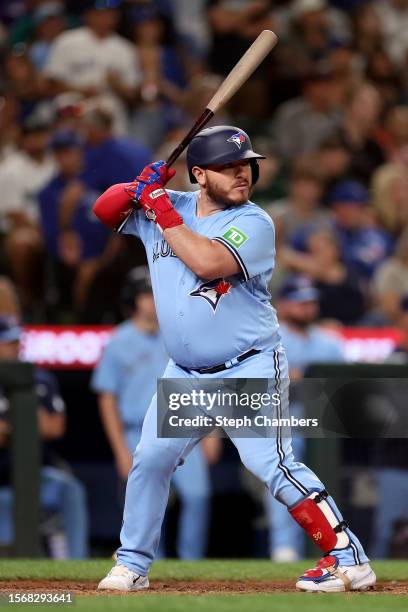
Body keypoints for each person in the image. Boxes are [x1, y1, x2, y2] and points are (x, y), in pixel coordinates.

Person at [93, 124, 376, 592]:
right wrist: (134, 186)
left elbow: (206, 261)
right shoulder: (173, 205)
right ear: (199, 175)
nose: (242, 174)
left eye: (246, 165)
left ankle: (349, 557)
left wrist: (159, 205)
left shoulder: (254, 221)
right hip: (186, 375)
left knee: (273, 465)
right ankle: (132, 564)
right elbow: (104, 212)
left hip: (245, 367)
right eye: (228, 167)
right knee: (151, 460)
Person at [91, 266, 211, 559]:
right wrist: (120, 449)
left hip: (185, 426)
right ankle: (147, 560)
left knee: (198, 496)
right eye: (146, 293)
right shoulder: (119, 340)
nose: (153, 299)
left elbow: (208, 383)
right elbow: (107, 398)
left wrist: (212, 435)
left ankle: (191, 564)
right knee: (148, 501)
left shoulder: (181, 331)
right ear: (133, 298)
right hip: (136, 430)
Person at [267, 274, 345, 561]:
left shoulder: (328, 342)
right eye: (300, 302)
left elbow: (344, 387)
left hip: (324, 428)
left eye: (311, 302)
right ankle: (284, 547)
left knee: (328, 479)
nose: (307, 308)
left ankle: (337, 544)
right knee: (285, 473)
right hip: (284, 425)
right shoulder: (270, 337)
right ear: (284, 305)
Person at [0, 315, 88, 558]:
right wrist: (21, 428)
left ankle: (74, 564)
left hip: (35, 473)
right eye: (8, 342)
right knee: (7, 505)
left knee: (70, 490)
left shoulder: (38, 379)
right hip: (2, 477)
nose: (16, 347)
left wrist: (23, 392)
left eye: (17, 340)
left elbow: (54, 428)